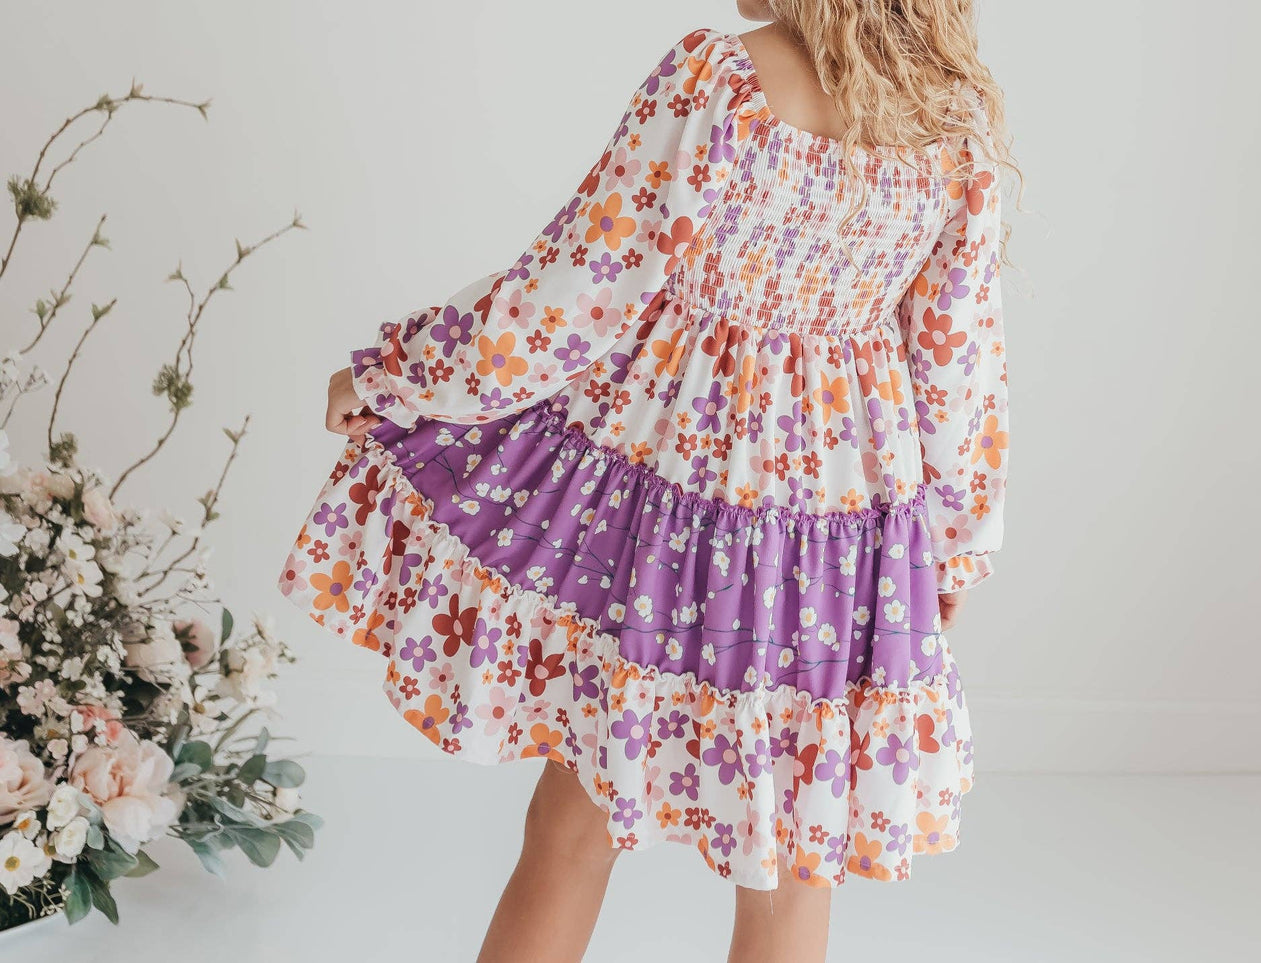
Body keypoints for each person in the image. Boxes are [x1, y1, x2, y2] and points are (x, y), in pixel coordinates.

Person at [283, 2, 1013, 960]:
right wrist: (952, 551)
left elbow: (573, 293)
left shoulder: (719, 78)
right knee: (793, 869)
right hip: (839, 536)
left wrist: (399, 375)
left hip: (666, 512)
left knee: (573, 830)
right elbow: (958, 369)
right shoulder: (949, 116)